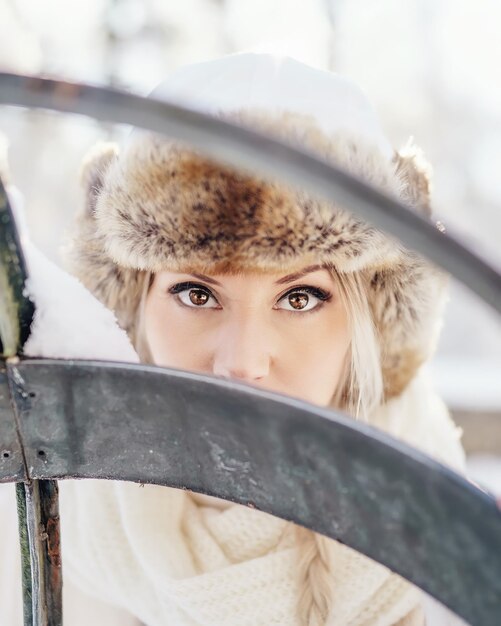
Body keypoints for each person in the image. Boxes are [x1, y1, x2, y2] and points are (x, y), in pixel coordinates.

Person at [58, 52, 466, 626]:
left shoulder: (455, 542)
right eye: (197, 295)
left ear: (368, 322)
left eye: (300, 298)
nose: (243, 363)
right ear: (132, 308)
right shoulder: (63, 523)